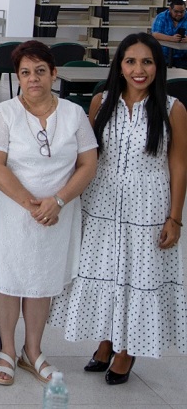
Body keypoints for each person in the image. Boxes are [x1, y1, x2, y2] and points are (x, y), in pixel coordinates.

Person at [50, 33, 187, 385]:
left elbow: (178, 165)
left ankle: (128, 349)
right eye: (131, 61)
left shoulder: (173, 108)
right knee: (106, 271)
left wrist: (175, 218)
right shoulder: (102, 101)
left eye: (147, 62)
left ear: (158, 66)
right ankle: (107, 340)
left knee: (138, 276)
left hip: (148, 204)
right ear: (119, 65)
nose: (139, 70)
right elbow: (87, 154)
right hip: (102, 201)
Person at [0, 41, 97, 387]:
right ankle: (7, 350)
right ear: (18, 77)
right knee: (9, 278)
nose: (33, 78)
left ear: (54, 73)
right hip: (12, 211)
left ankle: (33, 351)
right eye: (25, 72)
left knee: (43, 279)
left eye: (40, 71)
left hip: (59, 212)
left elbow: (88, 163)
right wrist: (32, 204)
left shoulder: (74, 114)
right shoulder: (4, 113)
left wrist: (58, 201)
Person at [151, 0, 187, 67]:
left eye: (182, 11)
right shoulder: (161, 17)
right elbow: (155, 34)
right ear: (170, 9)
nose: (179, 14)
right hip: (164, 55)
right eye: (176, 11)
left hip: (183, 55)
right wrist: (171, 38)